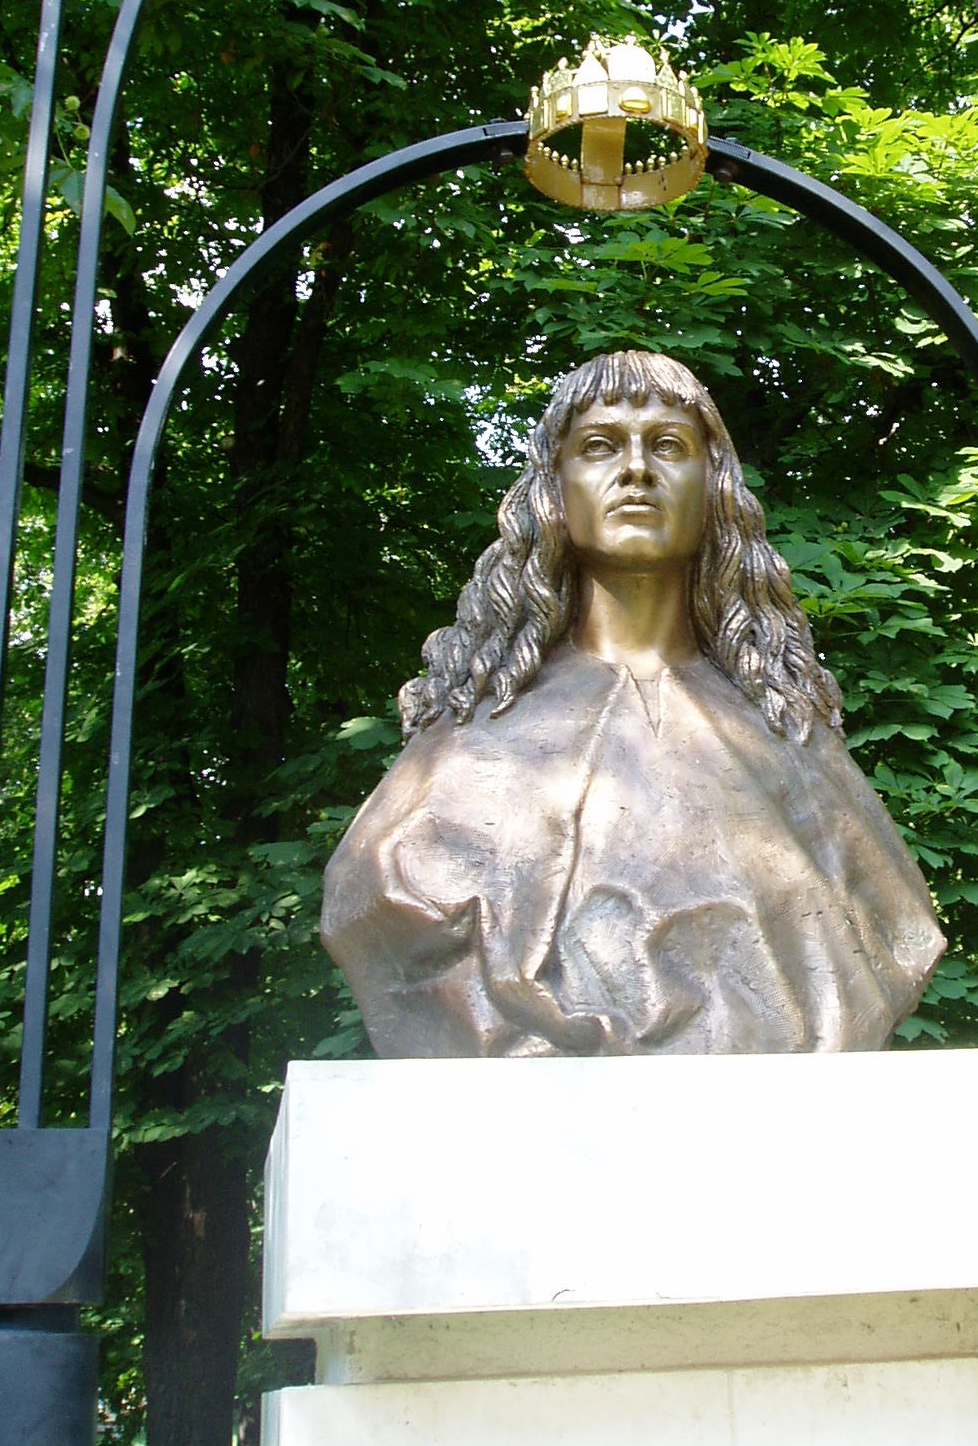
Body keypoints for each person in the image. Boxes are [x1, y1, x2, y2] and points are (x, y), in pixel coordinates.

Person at [322, 349, 945, 1057]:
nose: (637, 470)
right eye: (600, 446)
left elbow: (894, 932)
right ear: (554, 489)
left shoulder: (788, 737)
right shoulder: (466, 745)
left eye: (669, 446)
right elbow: (376, 902)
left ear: (714, 488)